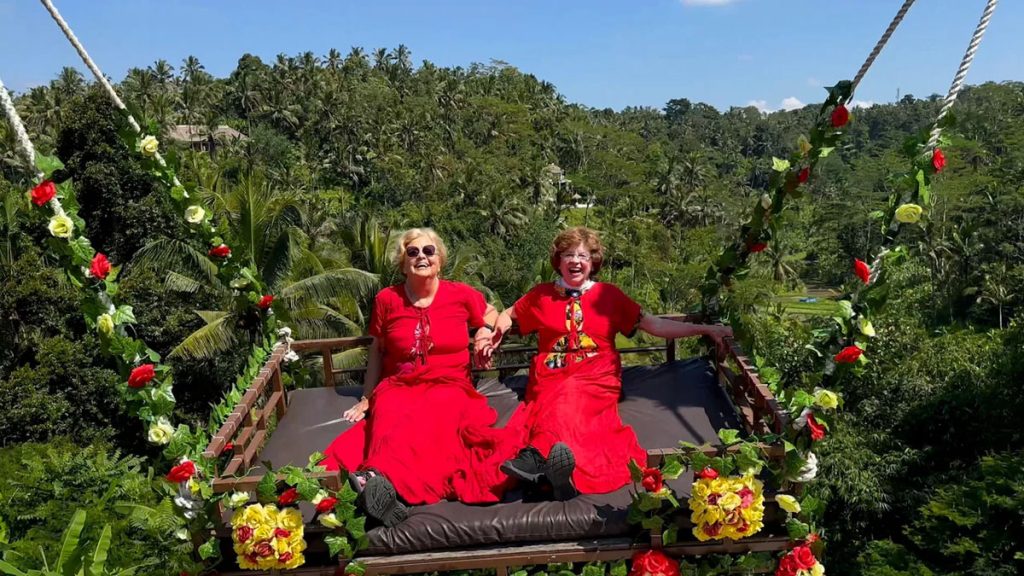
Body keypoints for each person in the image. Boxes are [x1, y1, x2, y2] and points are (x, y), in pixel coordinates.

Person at [486, 227, 732, 500]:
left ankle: (536, 456)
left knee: (568, 394)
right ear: (559, 261)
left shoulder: (609, 296)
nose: (575, 261)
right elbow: (509, 313)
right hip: (549, 375)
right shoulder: (541, 295)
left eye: (582, 256)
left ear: (592, 262)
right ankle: (557, 477)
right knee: (555, 399)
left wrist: (705, 329)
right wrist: (493, 330)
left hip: (596, 375)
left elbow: (655, 325)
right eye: (568, 255)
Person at [323, 228, 510, 526]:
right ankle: (382, 485)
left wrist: (483, 332)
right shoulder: (387, 299)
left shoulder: (460, 294)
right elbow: (377, 351)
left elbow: (490, 313)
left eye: (428, 251)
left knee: (435, 412)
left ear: (440, 260)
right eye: (413, 252)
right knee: (390, 410)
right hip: (399, 384)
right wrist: (367, 397)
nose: (421, 257)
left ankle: (383, 483)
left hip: (449, 384)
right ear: (403, 263)